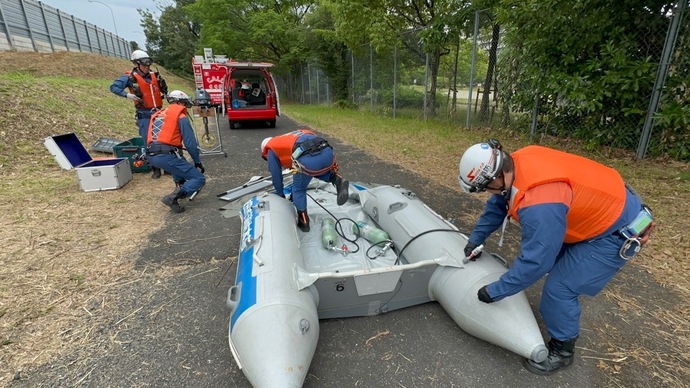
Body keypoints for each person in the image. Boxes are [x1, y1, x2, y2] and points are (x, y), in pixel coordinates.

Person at [457, 139, 654, 375]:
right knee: (556, 264)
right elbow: (499, 203)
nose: (485, 194)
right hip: (604, 211)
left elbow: (537, 262)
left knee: (559, 288)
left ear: (496, 178)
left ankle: (563, 350)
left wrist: (495, 291)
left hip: (617, 233)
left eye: (483, 188)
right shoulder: (517, 162)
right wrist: (476, 238)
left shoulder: (540, 203)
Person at [261, 130, 349, 232]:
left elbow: (276, 176)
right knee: (315, 170)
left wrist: (281, 195)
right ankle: (338, 180)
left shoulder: (271, 149)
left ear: (264, 152)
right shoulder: (291, 136)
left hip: (308, 159)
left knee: (298, 189)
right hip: (327, 152)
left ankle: (304, 221)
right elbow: (315, 147)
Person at [110, 49, 168, 179]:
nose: (147, 67)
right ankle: (155, 169)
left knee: (164, 139)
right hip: (145, 114)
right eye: (144, 65)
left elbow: (161, 89)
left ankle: (167, 166)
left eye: (148, 65)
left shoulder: (154, 75)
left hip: (159, 112)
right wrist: (127, 95)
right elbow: (114, 87)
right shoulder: (129, 77)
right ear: (136, 64)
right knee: (149, 142)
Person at [146, 90, 206, 214]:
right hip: (166, 155)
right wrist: (197, 161)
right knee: (198, 178)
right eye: (184, 104)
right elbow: (190, 143)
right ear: (179, 102)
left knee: (178, 163)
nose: (185, 107)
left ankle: (179, 186)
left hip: (151, 154)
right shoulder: (181, 117)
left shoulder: (159, 114)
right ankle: (172, 198)